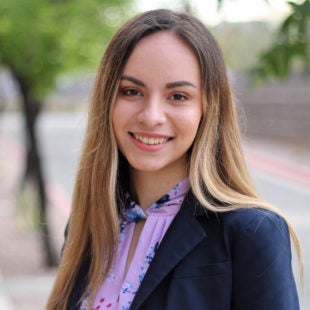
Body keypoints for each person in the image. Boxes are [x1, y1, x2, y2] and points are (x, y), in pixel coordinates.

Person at [47, 9, 301, 310]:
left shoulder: (251, 233)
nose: (151, 116)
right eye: (131, 91)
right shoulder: (89, 225)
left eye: (178, 96)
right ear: (107, 101)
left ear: (207, 107)